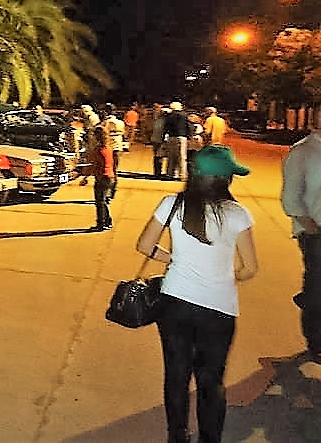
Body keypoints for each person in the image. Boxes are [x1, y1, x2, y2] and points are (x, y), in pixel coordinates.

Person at [135, 145, 258, 443]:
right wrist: (227, 277)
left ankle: (177, 435)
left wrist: (174, 260)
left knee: (176, 375)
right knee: (211, 379)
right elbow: (250, 268)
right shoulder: (237, 214)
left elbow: (144, 246)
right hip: (218, 309)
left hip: (174, 304)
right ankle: (209, 438)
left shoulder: (172, 204)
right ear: (225, 179)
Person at [281, 127, 321, 363]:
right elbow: (290, 199)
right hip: (315, 232)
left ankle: (308, 297)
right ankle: (316, 343)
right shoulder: (303, 152)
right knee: (318, 289)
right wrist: (313, 229)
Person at [87, 125, 115, 231]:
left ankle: (101, 223)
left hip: (102, 177)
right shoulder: (108, 148)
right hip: (110, 176)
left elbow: (94, 165)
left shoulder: (98, 150)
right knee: (103, 201)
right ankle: (107, 221)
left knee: (100, 202)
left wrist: (85, 177)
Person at [163, 101, 191, 180]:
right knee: (182, 157)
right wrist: (189, 136)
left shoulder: (170, 116)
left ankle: (170, 174)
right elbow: (188, 127)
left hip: (172, 137)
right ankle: (183, 175)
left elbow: (166, 127)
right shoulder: (184, 115)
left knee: (171, 156)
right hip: (182, 137)